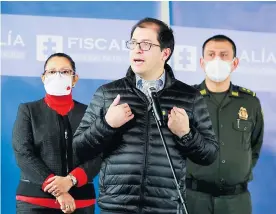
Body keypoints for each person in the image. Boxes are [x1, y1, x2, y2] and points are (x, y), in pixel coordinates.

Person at [73, 17, 218, 214]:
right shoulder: (108, 93)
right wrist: (106, 124)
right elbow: (78, 150)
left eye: (146, 44)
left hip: (165, 208)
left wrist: (186, 134)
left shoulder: (189, 97)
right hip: (116, 207)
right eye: (133, 43)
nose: (137, 49)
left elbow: (209, 154)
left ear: (165, 53)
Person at [12, 53, 100, 214]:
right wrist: (58, 190)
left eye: (65, 71)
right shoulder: (28, 111)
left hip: (81, 202)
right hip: (35, 203)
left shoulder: (90, 113)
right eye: (51, 72)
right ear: (43, 77)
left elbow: (98, 155)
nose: (58, 76)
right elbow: (22, 152)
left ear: (75, 79)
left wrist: (71, 180)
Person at [186, 35, 264, 214]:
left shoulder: (250, 103)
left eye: (224, 55)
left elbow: (255, 146)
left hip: (236, 202)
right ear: (202, 62)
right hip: (194, 200)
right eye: (211, 54)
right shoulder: (187, 99)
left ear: (234, 63)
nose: (217, 59)